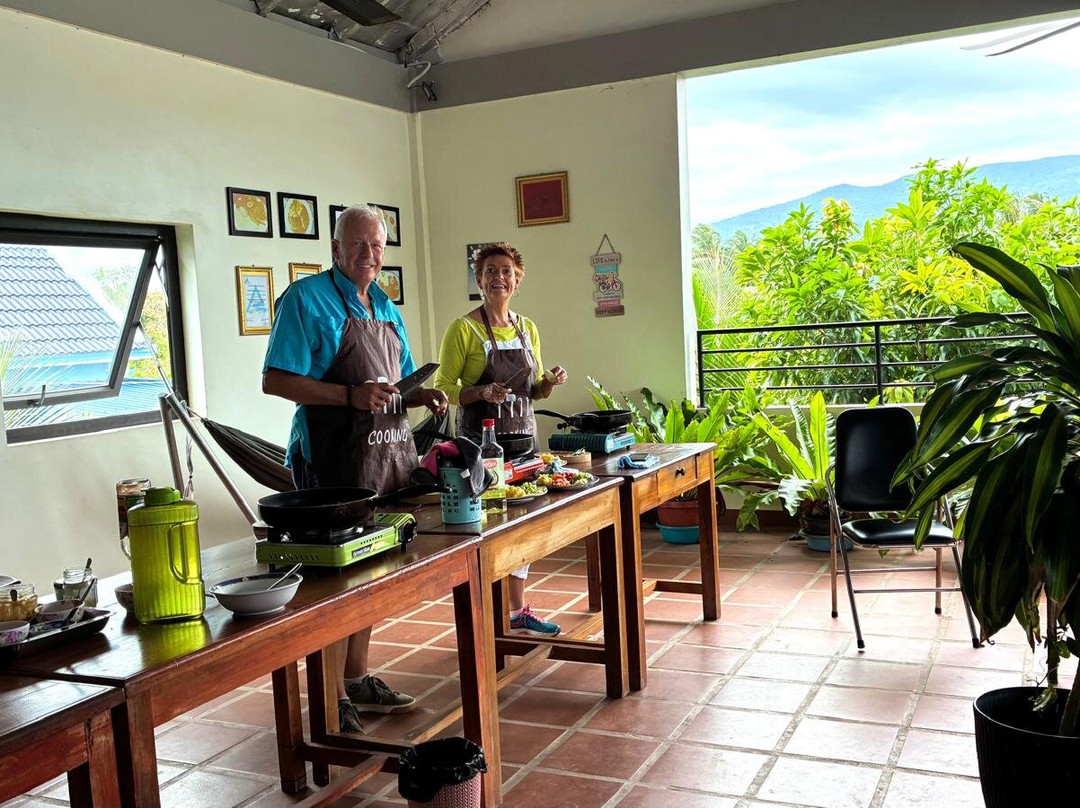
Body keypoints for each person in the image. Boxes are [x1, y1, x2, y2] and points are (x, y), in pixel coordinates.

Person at [262, 204, 448, 734]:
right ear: (336, 249)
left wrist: (423, 392)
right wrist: (349, 394)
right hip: (330, 461)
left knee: (371, 575)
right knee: (332, 582)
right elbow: (276, 380)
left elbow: (399, 380)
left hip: (383, 456)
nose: (370, 254)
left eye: (378, 245)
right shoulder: (306, 300)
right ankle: (328, 696)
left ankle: (358, 680)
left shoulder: (386, 306)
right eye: (359, 244)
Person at [434, 242, 568, 637]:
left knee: (525, 525)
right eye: (490, 271)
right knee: (488, 528)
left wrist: (550, 382)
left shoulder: (528, 328)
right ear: (478, 280)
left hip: (524, 439)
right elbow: (444, 387)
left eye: (506, 271)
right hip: (481, 444)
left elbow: (535, 390)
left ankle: (517, 609)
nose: (499, 278)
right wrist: (481, 392)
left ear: (518, 279)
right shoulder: (464, 328)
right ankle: (486, 615)